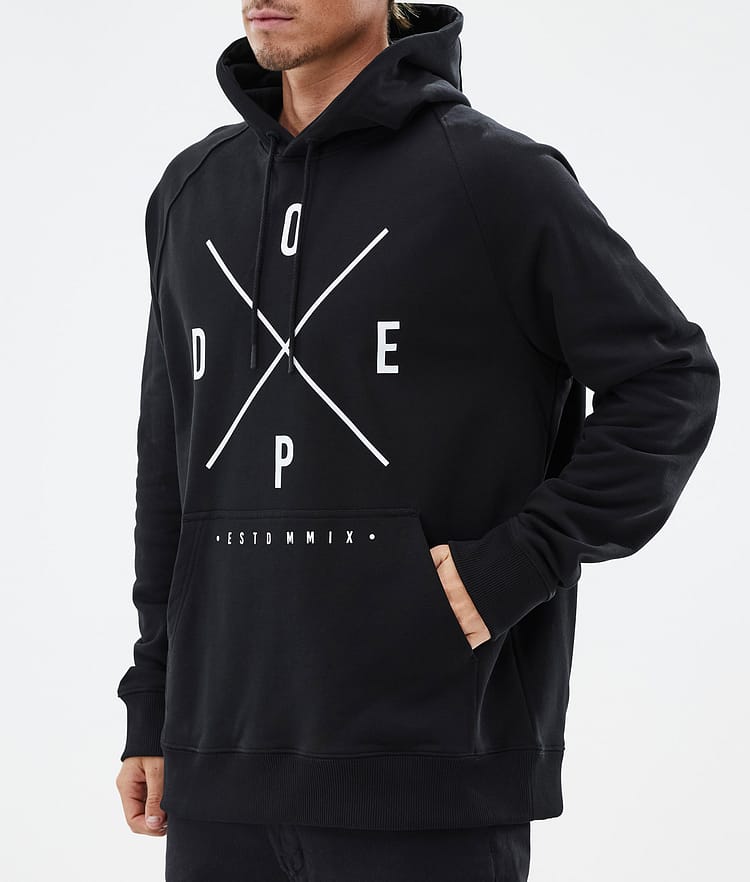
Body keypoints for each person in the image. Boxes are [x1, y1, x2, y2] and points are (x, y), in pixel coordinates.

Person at [114, 2, 721, 879]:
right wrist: (153, 702)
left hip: (429, 771)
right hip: (217, 776)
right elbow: (169, 464)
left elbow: (669, 380)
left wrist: (519, 562)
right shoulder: (191, 190)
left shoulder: (495, 178)